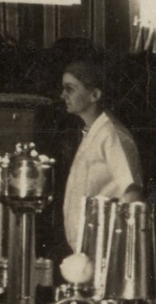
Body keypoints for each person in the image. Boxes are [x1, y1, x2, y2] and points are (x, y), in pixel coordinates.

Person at [61, 59, 144, 250]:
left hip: (107, 249)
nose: (63, 94)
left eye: (70, 88)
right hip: (87, 250)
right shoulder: (92, 132)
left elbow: (133, 195)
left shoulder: (112, 134)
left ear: (95, 94)